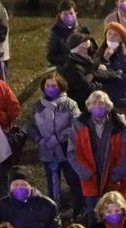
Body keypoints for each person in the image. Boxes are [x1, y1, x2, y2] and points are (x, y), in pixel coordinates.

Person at [69, 91, 126, 219]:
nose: (97, 106)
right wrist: (86, 173)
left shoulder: (120, 124)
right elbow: (73, 153)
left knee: (120, 215)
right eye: (93, 103)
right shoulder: (79, 125)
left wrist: (116, 176)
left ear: (108, 106)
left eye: (101, 103)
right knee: (94, 217)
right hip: (91, 180)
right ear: (88, 106)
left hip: (115, 181)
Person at [27, 72, 82, 215]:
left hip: (67, 151)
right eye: (48, 85)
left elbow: (75, 126)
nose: (51, 88)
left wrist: (56, 138)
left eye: (54, 85)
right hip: (47, 152)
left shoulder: (70, 105)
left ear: (60, 86)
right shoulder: (38, 106)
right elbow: (31, 126)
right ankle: (54, 212)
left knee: (74, 181)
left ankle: (79, 209)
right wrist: (39, 139)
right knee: (52, 184)